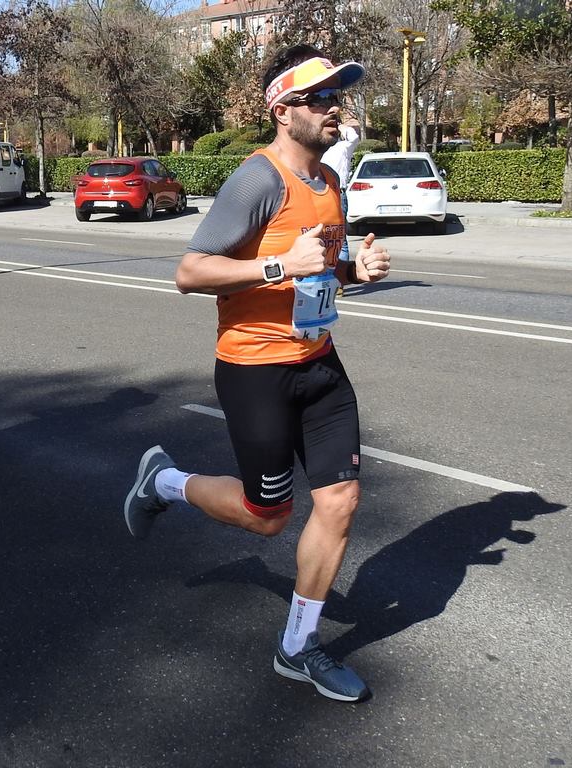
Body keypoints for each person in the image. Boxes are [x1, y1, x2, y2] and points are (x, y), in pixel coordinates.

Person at [123, 44, 391, 703]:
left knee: (340, 500)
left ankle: (297, 648)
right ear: (282, 110)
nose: (335, 108)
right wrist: (277, 267)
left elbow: (317, 272)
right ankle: (164, 481)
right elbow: (189, 274)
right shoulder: (257, 179)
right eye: (320, 97)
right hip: (254, 372)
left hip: (319, 366)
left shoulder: (328, 185)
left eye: (337, 96)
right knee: (266, 516)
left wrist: (355, 272)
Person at [320, 115, 360, 264]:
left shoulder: (343, 147)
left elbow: (354, 137)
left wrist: (339, 125)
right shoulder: (319, 148)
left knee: (339, 238)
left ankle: (340, 279)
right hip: (319, 192)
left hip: (337, 193)